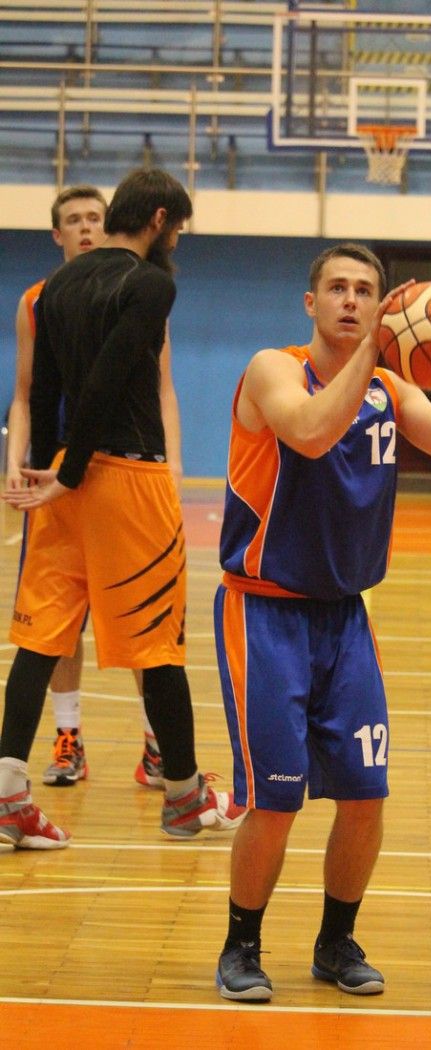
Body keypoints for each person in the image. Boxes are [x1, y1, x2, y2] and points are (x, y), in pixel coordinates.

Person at [212, 242, 431, 1001]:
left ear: (381, 303)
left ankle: (336, 942)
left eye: (365, 290)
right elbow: (309, 431)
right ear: (311, 303)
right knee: (275, 800)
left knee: (366, 795)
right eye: (337, 288)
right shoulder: (273, 369)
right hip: (265, 612)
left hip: (345, 619)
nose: (350, 300)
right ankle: (241, 947)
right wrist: (375, 351)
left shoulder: (388, 389)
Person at [0, 167, 242, 850]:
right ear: (159, 219)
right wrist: (73, 471)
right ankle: (185, 797)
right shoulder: (152, 284)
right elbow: (107, 378)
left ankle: (8, 796)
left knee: (40, 642)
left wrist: (50, 472)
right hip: (126, 482)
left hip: (62, 486)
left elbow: (44, 390)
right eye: (179, 228)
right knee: (158, 646)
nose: (179, 242)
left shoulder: (54, 288)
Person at [6, 183, 182, 791]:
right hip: (83, 472)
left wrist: (172, 464)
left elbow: (158, 386)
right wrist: (34, 462)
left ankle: (153, 745)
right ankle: (79, 741)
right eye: (74, 220)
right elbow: (34, 392)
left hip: (93, 472)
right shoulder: (50, 297)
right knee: (82, 629)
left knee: (102, 624)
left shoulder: (121, 288)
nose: (86, 227)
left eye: (94, 217)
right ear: (58, 234)